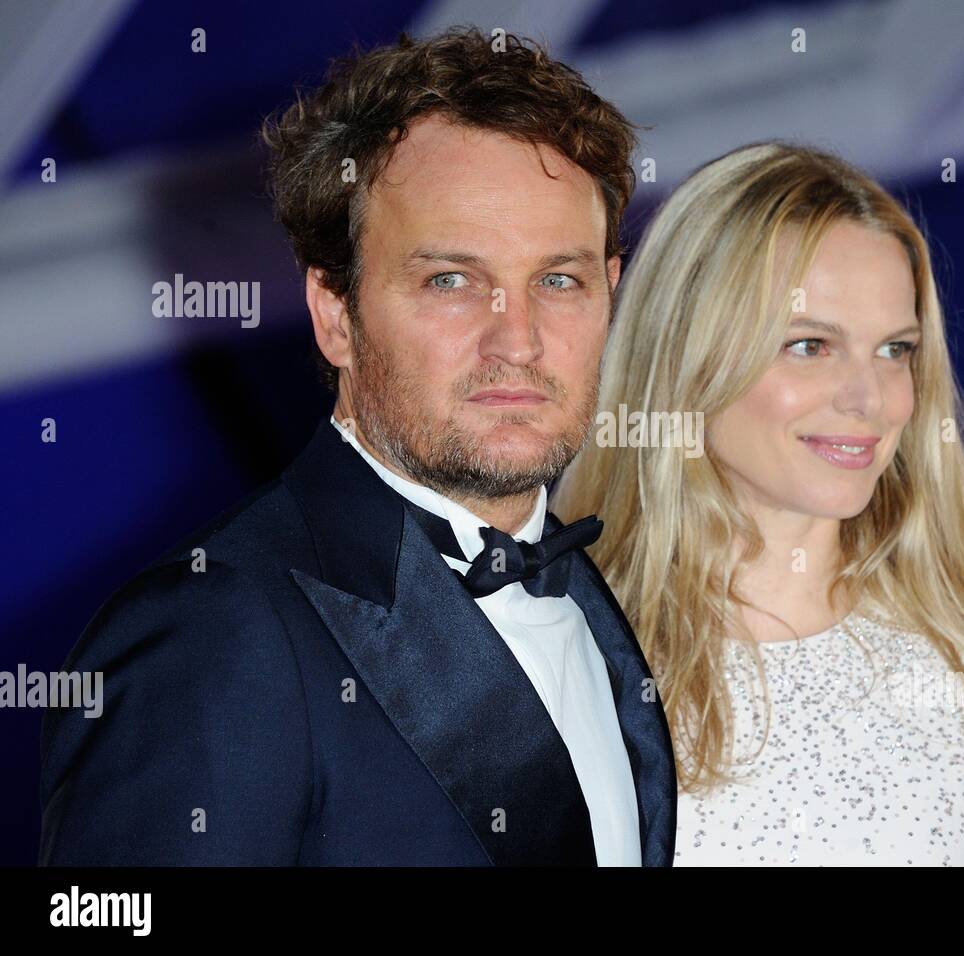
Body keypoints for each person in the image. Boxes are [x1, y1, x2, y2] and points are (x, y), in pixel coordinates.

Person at [38, 28, 675, 866]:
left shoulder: (599, 592)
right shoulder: (211, 634)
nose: (517, 340)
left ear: (610, 292)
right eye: (451, 280)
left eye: (559, 280)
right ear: (336, 312)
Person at [553, 141, 964, 865]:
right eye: (810, 346)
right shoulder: (555, 659)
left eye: (895, 351)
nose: (870, 400)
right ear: (690, 354)